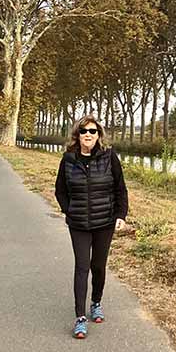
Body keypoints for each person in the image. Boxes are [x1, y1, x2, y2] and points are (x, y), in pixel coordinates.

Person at [54, 114, 128, 339]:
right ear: (77, 135)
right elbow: (60, 190)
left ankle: (96, 302)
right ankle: (80, 317)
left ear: (99, 135)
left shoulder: (109, 157)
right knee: (82, 266)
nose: (88, 135)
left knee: (98, 266)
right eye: (84, 131)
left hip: (104, 222)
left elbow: (120, 189)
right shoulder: (68, 159)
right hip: (78, 224)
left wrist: (120, 215)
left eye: (92, 131)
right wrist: (70, 209)